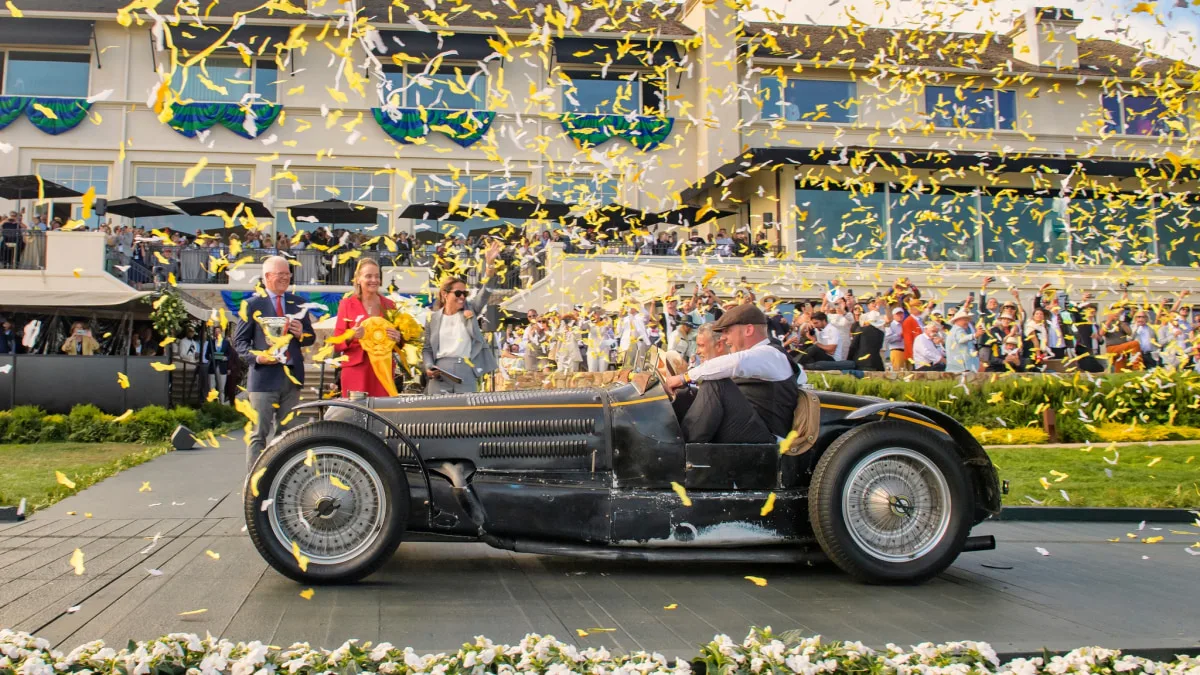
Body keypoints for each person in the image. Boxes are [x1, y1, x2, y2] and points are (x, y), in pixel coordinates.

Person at [662, 304, 803, 444]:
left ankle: (681, 451)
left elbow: (735, 363)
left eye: (727, 331)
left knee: (716, 384)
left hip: (765, 437)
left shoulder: (770, 353)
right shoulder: (762, 356)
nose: (723, 338)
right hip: (749, 426)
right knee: (686, 394)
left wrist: (683, 378)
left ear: (748, 330)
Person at [234, 256, 316, 470]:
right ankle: (254, 485)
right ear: (267, 277)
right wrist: (257, 357)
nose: (285, 278)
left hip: (291, 379)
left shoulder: (298, 303)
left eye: (287, 274)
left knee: (288, 435)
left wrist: (302, 334)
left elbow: (310, 338)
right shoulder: (251, 304)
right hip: (263, 379)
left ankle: (281, 479)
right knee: (258, 434)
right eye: (280, 274)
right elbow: (239, 342)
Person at [422, 241, 501, 394]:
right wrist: (428, 367)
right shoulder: (432, 318)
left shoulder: (470, 310)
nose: (462, 297)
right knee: (438, 415)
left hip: (465, 373)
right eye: (458, 293)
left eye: (464, 293)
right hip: (439, 375)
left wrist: (489, 264)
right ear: (445, 294)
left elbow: (486, 291)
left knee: (467, 416)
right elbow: (427, 349)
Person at [334, 258, 402, 397]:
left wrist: (398, 338)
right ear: (358, 279)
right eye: (369, 276)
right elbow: (337, 343)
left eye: (377, 276)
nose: (374, 280)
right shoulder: (346, 304)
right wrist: (352, 335)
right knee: (355, 415)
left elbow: (399, 343)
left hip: (382, 370)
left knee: (381, 413)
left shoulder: (390, 305)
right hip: (355, 369)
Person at [945, 308, 982, 372]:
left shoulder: (955, 330)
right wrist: (975, 335)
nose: (967, 322)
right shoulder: (958, 329)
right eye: (965, 320)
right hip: (960, 366)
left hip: (956, 365)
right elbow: (961, 339)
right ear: (957, 320)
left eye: (968, 320)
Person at [205, 324, 233, 404]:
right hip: (212, 368)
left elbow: (230, 355)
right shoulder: (211, 342)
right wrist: (210, 357)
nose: (217, 333)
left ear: (221, 332)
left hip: (222, 367)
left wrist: (226, 359)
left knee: (221, 389)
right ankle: (212, 405)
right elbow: (206, 355)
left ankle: (221, 405)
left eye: (219, 331)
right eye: (216, 332)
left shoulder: (226, 343)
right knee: (212, 388)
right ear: (214, 333)